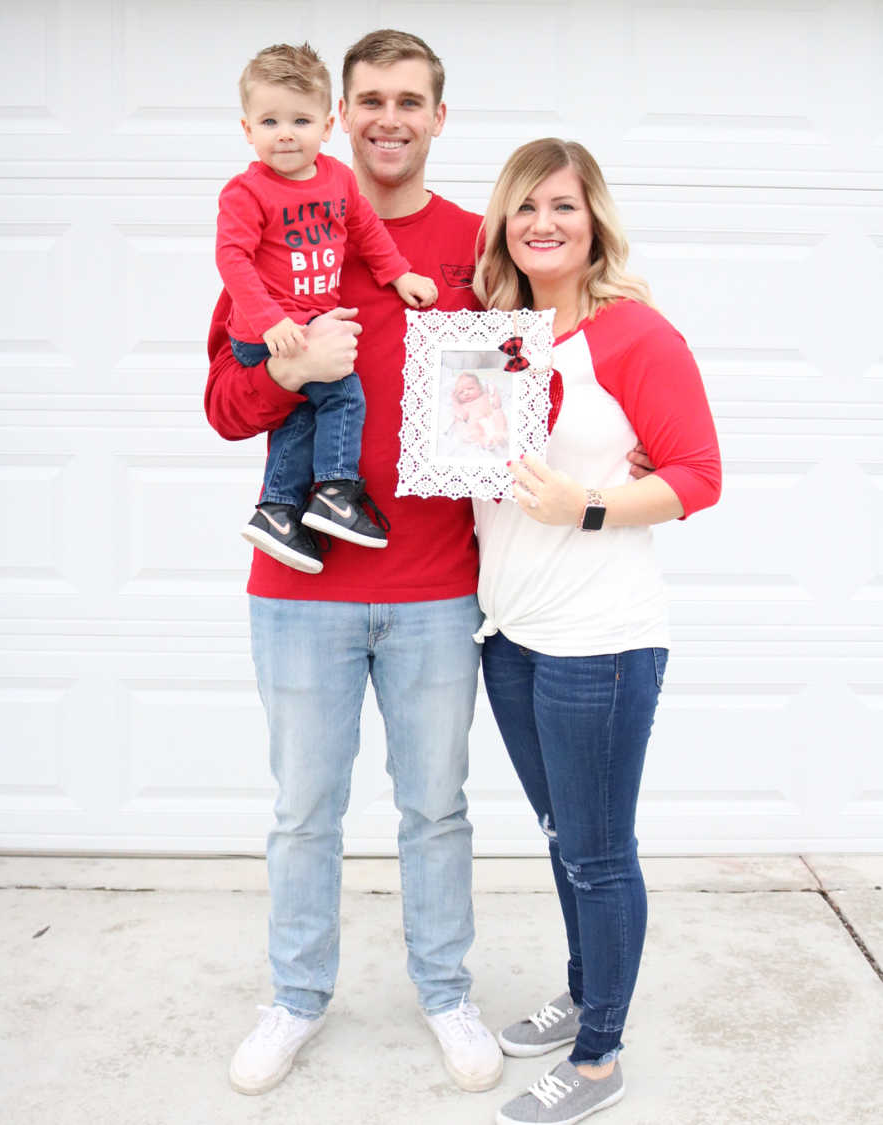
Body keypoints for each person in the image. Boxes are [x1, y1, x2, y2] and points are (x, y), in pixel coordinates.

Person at [205, 29, 505, 1097]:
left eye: (408, 100)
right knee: (304, 811)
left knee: (436, 807)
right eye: (369, 97)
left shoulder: (476, 242)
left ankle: (446, 993)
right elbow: (223, 405)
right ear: (340, 112)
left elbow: (529, 385)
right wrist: (295, 370)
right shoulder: (282, 224)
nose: (388, 116)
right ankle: (294, 998)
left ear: (436, 116)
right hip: (297, 592)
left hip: (433, 586)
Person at [471, 138, 722, 1124]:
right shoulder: (499, 335)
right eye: (525, 207)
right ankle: (586, 994)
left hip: (600, 641)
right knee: (561, 836)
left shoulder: (634, 335)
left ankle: (600, 1059)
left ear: (595, 221)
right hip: (509, 636)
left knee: (599, 852)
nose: (543, 224)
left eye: (564, 207)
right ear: (504, 223)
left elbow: (699, 475)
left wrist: (587, 505)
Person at [216, 42, 438, 572]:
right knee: (344, 397)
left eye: (299, 119)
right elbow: (233, 262)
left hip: (310, 323)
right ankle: (337, 491)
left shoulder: (336, 179)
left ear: (325, 124)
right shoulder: (247, 194)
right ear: (247, 129)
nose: (285, 133)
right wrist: (275, 332)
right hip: (269, 332)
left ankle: (277, 509)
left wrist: (398, 273)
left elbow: (364, 228)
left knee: (304, 413)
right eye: (269, 121)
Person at [451, 371, 509, 452]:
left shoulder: (485, 395)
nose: (466, 393)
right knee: (472, 427)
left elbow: (497, 404)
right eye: (461, 392)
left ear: (480, 387)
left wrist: (494, 392)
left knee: (497, 411)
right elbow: (462, 416)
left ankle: (501, 433)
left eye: (470, 388)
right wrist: (455, 402)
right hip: (477, 424)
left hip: (492, 418)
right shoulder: (464, 406)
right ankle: (484, 441)